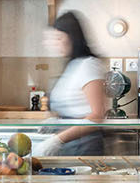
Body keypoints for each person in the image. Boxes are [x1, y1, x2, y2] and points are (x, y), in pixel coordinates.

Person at [38, 11, 106, 157]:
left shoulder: (89, 65)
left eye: (59, 38)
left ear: (72, 37)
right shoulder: (73, 65)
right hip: (70, 144)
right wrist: (55, 122)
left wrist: (56, 140)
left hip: (85, 147)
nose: (55, 44)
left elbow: (97, 116)